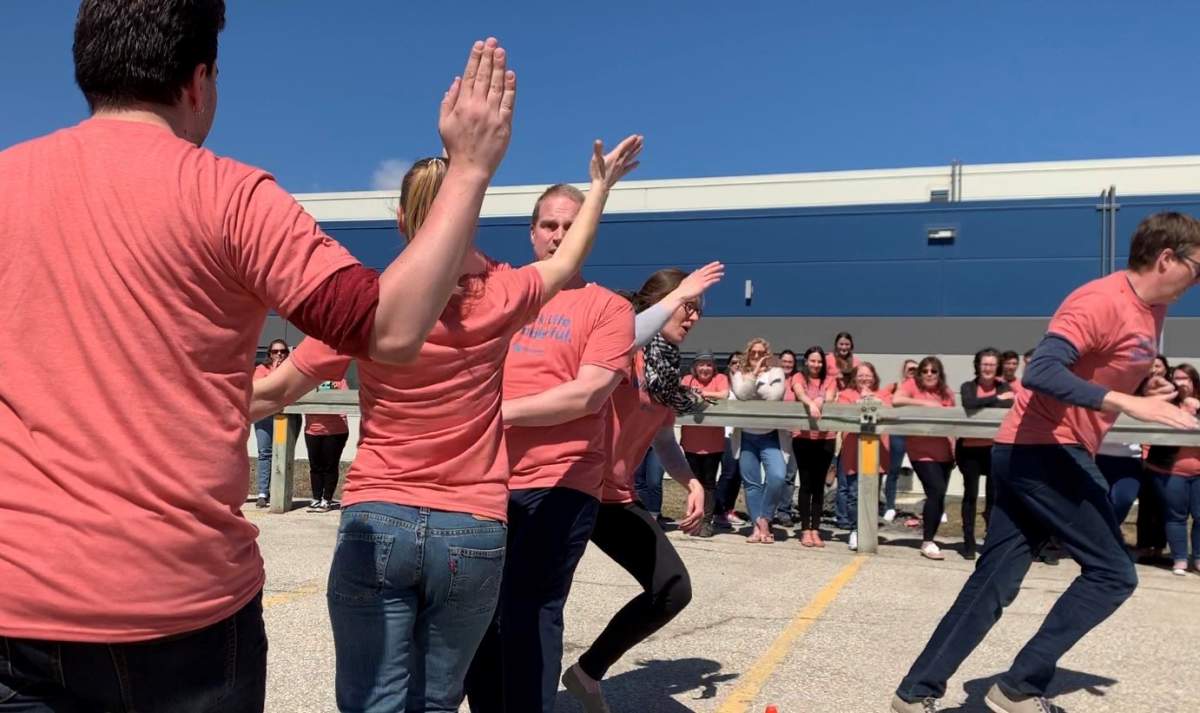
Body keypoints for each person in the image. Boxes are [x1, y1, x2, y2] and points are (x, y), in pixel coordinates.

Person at [0, 0, 519, 705]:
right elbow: (390, 329)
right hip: (182, 606)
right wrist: (469, 168)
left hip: (17, 608)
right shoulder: (232, 196)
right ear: (199, 81)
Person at [254, 136, 644, 712]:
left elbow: (272, 392)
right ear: (469, 214)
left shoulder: (369, 302)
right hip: (473, 523)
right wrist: (600, 190)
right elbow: (565, 262)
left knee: (372, 701)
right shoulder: (504, 294)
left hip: (379, 513)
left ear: (400, 218)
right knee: (437, 702)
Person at [892, 212, 1200, 713]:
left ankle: (914, 693)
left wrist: (1147, 389)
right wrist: (1127, 403)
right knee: (1113, 574)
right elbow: (1042, 372)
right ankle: (1018, 687)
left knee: (994, 582)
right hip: (1046, 449)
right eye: (1197, 267)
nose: (1198, 280)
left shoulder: (1154, 310)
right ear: (1167, 258)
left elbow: (1105, 367)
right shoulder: (1100, 300)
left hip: (1036, 451)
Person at [463, 176, 720, 712]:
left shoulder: (628, 335)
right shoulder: (510, 292)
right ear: (532, 232)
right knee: (487, 609)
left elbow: (637, 421)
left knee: (545, 603)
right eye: (549, 225)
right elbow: (635, 331)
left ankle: (575, 678)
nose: (559, 235)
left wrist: (691, 481)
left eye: (571, 226)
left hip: (578, 486)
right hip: (504, 477)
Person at [560, 268, 708, 712]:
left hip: (615, 500)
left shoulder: (664, 374)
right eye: (688, 306)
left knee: (672, 588)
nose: (695, 317)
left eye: (699, 311)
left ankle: (587, 672)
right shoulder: (626, 351)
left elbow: (662, 439)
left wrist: (691, 481)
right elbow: (625, 337)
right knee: (540, 602)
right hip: (573, 489)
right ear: (663, 303)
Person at [892, 356, 957, 561]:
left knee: (939, 496)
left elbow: (953, 422)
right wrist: (925, 403)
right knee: (935, 490)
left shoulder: (946, 392)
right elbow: (896, 400)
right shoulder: (911, 385)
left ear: (939, 374)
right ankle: (927, 541)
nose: (929, 374)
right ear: (919, 373)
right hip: (921, 451)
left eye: (934, 371)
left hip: (944, 452)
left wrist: (955, 450)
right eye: (925, 371)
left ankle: (931, 538)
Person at [730, 341, 793, 543]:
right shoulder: (738, 373)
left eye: (761, 353)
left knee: (777, 476)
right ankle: (758, 527)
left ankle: (765, 518)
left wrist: (753, 385)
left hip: (771, 436)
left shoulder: (777, 372)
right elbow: (741, 394)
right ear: (748, 354)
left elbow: (774, 397)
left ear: (767, 354)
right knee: (751, 484)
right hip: (746, 436)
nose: (757, 356)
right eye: (753, 352)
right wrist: (755, 374)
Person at [955, 347, 1015, 559]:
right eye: (984, 364)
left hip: (994, 449)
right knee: (970, 495)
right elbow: (969, 403)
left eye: (992, 364)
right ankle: (968, 542)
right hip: (969, 449)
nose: (988, 368)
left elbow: (1009, 403)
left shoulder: (1004, 386)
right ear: (978, 366)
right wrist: (996, 399)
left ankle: (990, 540)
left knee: (993, 497)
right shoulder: (968, 386)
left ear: (997, 367)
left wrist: (995, 399)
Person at [1144, 363, 1200, 575]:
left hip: (1198, 473)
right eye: (1177, 378)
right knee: (1175, 516)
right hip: (1170, 471)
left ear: (1194, 381)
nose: (1182, 383)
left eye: (1186, 378)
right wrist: (1182, 410)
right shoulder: (1165, 403)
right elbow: (1153, 427)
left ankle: (1198, 558)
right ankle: (1179, 559)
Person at [837, 362, 892, 551]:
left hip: (877, 451)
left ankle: (868, 529)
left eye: (868, 375)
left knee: (872, 493)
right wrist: (861, 401)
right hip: (853, 450)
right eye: (860, 375)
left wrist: (874, 400)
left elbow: (889, 412)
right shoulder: (846, 394)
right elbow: (842, 415)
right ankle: (855, 530)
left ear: (874, 377)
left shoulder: (883, 394)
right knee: (853, 493)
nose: (864, 378)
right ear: (854, 377)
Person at [790, 346, 838, 547]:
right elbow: (799, 392)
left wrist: (820, 399)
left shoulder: (830, 379)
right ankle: (805, 529)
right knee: (806, 484)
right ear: (806, 361)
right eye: (813, 361)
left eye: (819, 361)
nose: (816, 364)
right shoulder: (799, 377)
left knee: (819, 485)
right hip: (803, 437)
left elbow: (829, 398)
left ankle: (816, 529)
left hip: (826, 438)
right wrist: (811, 403)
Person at [681, 351, 732, 537]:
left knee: (709, 483)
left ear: (714, 367)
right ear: (695, 367)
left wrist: (702, 393)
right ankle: (693, 519)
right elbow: (682, 394)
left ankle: (706, 521)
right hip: (691, 441)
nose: (705, 368)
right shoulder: (687, 379)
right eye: (701, 364)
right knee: (693, 482)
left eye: (709, 364)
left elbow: (724, 394)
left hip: (713, 442)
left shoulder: (721, 379)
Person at [252, 338, 293, 508]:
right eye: (275, 351)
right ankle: (263, 492)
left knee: (283, 454)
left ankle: (280, 493)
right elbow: (261, 389)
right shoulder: (261, 369)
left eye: (282, 351)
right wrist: (275, 370)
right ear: (269, 353)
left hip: (285, 417)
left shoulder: (292, 370)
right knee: (265, 453)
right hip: (264, 417)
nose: (279, 354)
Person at [304, 375, 351, 512]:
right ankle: (316, 498)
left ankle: (327, 499)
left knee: (330, 466)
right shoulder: (309, 379)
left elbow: (346, 399)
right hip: (313, 429)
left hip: (335, 430)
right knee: (315, 466)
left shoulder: (339, 380)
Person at [714, 353, 748, 529]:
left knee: (737, 474)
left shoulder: (745, 385)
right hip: (724, 432)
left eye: (741, 363)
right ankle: (717, 511)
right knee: (729, 472)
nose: (737, 365)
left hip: (741, 434)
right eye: (734, 362)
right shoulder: (723, 382)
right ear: (728, 365)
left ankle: (729, 510)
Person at [882, 359, 918, 522]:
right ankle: (890, 506)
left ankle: (937, 508)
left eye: (916, 369)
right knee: (893, 470)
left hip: (916, 433)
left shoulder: (922, 388)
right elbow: (881, 398)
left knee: (926, 470)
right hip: (897, 433)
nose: (913, 371)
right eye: (910, 369)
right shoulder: (895, 386)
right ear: (904, 371)